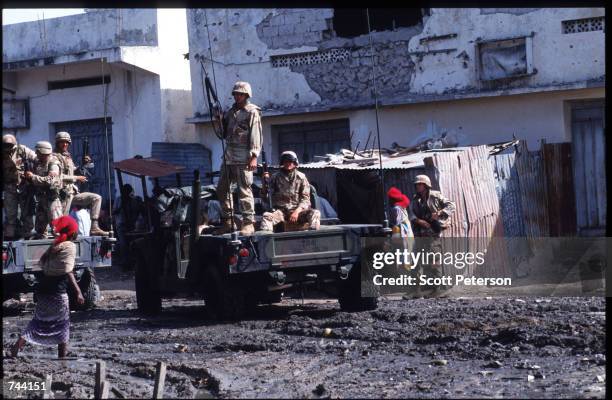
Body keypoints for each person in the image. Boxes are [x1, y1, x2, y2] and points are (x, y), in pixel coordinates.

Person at [10, 216, 85, 358]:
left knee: (38, 321)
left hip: (43, 292)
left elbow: (42, 266)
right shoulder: (69, 246)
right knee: (63, 324)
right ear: (72, 233)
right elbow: (68, 270)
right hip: (57, 293)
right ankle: (62, 357)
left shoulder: (54, 245)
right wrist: (78, 291)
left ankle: (18, 344)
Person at [214, 81, 263, 235]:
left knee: (244, 191)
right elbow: (222, 134)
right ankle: (228, 221)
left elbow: (256, 135)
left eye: (240, 94)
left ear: (246, 95)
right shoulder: (230, 112)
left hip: (244, 158)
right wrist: (218, 119)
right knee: (222, 189)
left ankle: (248, 223)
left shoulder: (252, 112)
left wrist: (254, 156)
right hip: (229, 157)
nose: (237, 96)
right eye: (235, 93)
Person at [53, 131, 109, 236]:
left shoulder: (67, 157)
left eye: (66, 142)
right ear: (57, 143)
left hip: (72, 193)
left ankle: (94, 227)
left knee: (96, 198)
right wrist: (77, 177)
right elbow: (57, 177)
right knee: (62, 223)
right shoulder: (54, 158)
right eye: (62, 142)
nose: (65, 144)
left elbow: (74, 170)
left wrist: (85, 164)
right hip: (61, 195)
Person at [408, 175, 456, 297]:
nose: (417, 186)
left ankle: (438, 289)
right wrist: (419, 221)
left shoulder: (435, 196)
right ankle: (416, 291)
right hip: (420, 234)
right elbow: (411, 214)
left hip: (433, 235)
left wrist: (439, 213)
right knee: (417, 262)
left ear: (425, 185)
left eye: (419, 184)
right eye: (416, 184)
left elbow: (451, 206)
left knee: (434, 262)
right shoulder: (415, 199)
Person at [260, 151, 321, 232]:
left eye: (290, 161)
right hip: (281, 212)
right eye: (285, 161)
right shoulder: (275, 177)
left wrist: (297, 211)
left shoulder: (301, 177)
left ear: (295, 162)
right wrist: (264, 183)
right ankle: (269, 242)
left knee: (315, 213)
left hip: (298, 212)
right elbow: (265, 197)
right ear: (282, 162)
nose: (288, 163)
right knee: (267, 216)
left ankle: (314, 237)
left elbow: (306, 200)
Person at [24, 142, 64, 239]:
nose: (36, 154)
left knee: (57, 229)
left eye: (38, 152)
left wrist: (33, 177)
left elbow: (50, 181)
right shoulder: (38, 162)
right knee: (40, 231)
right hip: (41, 199)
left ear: (41, 152)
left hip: (52, 199)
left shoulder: (53, 164)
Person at [2, 134, 38, 239]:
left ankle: (28, 233)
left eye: (10, 145)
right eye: (5, 145)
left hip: (24, 186)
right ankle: (10, 236)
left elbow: (35, 157)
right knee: (10, 214)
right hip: (9, 186)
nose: (8, 147)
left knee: (27, 212)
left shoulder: (21, 150)